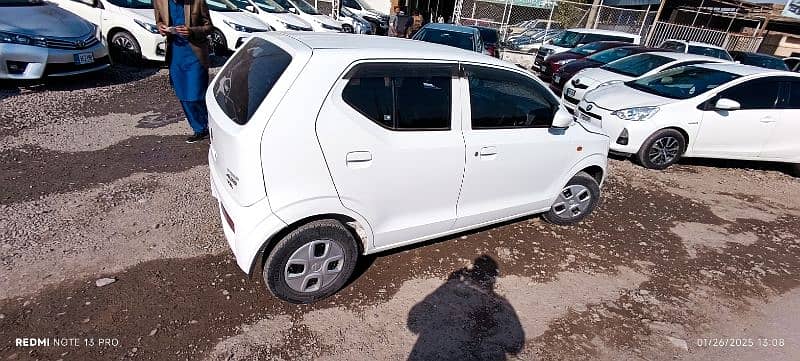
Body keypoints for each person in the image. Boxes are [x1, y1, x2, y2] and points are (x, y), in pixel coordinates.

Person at [153, 0, 213, 143]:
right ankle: (199, 129)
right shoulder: (158, 1)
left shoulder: (197, 1)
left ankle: (211, 126)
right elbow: (159, 21)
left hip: (194, 54)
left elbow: (209, 27)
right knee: (183, 94)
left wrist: (192, 31)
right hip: (176, 54)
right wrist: (160, 27)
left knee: (196, 94)